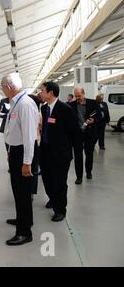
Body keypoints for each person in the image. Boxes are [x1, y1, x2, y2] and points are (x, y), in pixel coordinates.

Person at [1, 73, 39, 246]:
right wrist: (10, 149)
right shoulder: (17, 102)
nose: (3, 91)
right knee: (19, 191)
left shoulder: (25, 104)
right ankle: (25, 219)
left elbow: (30, 136)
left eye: (3, 88)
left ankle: (24, 233)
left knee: (22, 192)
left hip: (23, 153)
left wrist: (27, 162)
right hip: (16, 151)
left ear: (8, 87)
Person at [39, 82, 80, 222]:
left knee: (59, 182)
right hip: (45, 151)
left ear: (50, 93)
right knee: (47, 179)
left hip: (60, 154)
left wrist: (68, 152)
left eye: (42, 90)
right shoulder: (44, 109)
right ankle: (53, 198)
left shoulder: (65, 109)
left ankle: (60, 209)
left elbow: (74, 132)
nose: (41, 93)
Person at [69, 87, 100, 184]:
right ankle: (79, 177)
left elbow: (99, 115)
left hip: (89, 132)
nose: (77, 97)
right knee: (78, 156)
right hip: (77, 134)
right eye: (76, 96)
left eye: (79, 95)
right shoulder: (71, 105)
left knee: (89, 154)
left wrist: (93, 120)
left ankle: (89, 171)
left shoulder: (93, 103)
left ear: (84, 94)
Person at [27, 94, 42, 199]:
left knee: (31, 168)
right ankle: (31, 192)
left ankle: (30, 192)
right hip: (36, 142)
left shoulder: (34, 114)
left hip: (33, 143)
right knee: (34, 168)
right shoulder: (39, 114)